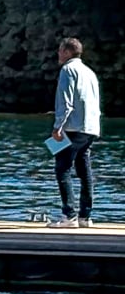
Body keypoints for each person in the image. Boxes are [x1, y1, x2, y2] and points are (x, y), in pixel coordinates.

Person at [49, 36, 102, 228]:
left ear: (67, 51)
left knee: (62, 169)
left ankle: (69, 215)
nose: (58, 53)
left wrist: (58, 126)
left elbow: (66, 102)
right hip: (90, 127)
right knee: (84, 171)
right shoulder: (90, 72)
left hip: (72, 127)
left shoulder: (68, 70)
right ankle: (85, 216)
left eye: (60, 50)